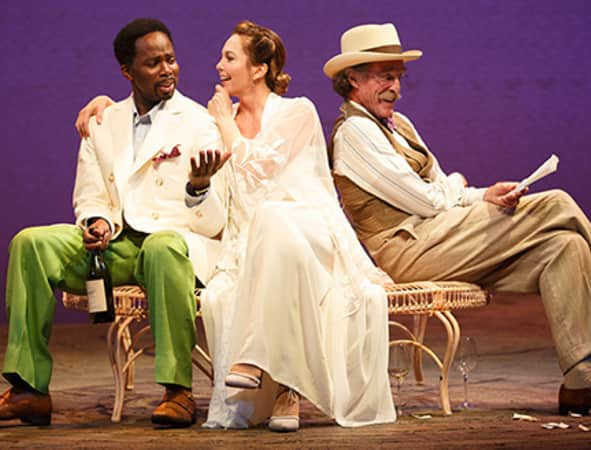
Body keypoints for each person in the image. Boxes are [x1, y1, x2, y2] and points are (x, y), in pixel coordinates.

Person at [324, 23, 591, 415]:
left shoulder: (400, 125)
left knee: (563, 246)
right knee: (556, 202)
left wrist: (483, 193)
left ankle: (579, 383)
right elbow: (425, 199)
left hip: (440, 236)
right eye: (386, 77)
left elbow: (439, 187)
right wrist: (462, 188)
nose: (396, 89)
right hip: (407, 249)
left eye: (399, 78)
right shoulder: (354, 132)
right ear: (353, 77)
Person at [76, 20, 395, 432]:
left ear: (258, 68)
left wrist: (226, 124)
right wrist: (105, 102)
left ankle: (256, 359)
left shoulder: (296, 111)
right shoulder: (212, 120)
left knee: (275, 216)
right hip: (255, 246)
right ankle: (286, 393)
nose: (218, 65)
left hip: (310, 233)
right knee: (258, 254)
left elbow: (262, 171)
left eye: (229, 58)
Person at [0, 18, 229, 428]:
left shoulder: (197, 123)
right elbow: (88, 194)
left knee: (162, 247)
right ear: (128, 71)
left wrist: (199, 186)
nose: (167, 69)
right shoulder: (103, 122)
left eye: (171, 60)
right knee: (31, 241)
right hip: (118, 245)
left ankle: (178, 391)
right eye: (154, 63)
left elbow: (215, 221)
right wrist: (96, 221)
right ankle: (29, 389)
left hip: (173, 246)